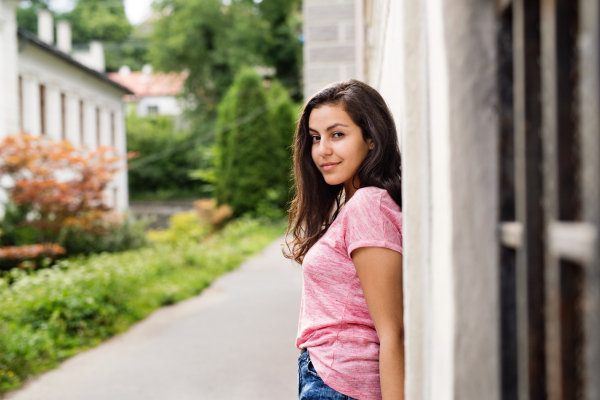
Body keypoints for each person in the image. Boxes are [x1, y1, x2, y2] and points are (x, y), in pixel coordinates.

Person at [284, 79, 404, 400]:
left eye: (337, 134)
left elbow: (392, 333)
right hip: (329, 376)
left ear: (371, 139)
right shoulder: (354, 206)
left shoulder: (369, 205)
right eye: (315, 138)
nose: (322, 149)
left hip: (341, 384)